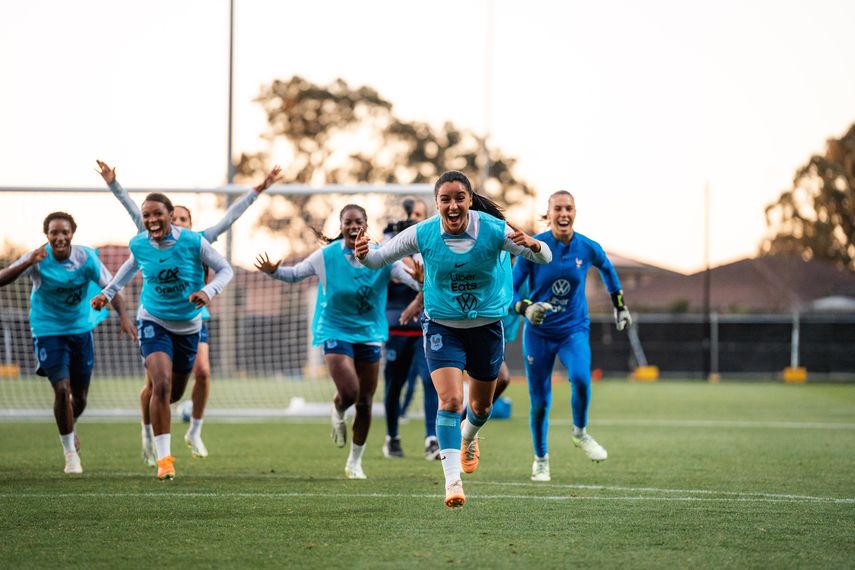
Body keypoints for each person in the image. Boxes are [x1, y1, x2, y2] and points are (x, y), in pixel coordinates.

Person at [355, 170, 552, 508]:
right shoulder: (423, 233)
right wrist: (363, 254)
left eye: (459, 197)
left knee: (481, 406)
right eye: (445, 199)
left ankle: (469, 437)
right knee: (449, 401)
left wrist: (534, 245)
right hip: (441, 326)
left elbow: (544, 255)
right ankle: (452, 482)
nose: (452, 205)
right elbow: (378, 259)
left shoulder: (493, 230)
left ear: (469, 200)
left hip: (487, 327)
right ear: (437, 204)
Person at [95, 160, 280, 464]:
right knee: (157, 384)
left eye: (181, 217)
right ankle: (153, 437)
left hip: (196, 315)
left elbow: (232, 218)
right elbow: (132, 214)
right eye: (172, 216)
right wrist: (114, 183)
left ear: (186, 222)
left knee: (199, 374)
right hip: (154, 317)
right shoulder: (144, 238)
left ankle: (193, 429)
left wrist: (258, 189)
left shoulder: (199, 241)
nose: (174, 221)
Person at [254, 204, 421, 480]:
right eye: (348, 222)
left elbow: (413, 282)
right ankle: (339, 406)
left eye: (358, 222)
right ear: (341, 226)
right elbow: (295, 274)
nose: (353, 227)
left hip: (369, 333)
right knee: (350, 392)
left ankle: (355, 461)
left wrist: (419, 281)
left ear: (366, 226)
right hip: (335, 330)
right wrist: (273, 271)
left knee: (366, 402)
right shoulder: (326, 256)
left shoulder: (382, 257)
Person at [91, 193, 234, 480]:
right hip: (153, 321)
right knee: (161, 383)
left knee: (175, 392)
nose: (152, 220)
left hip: (188, 326)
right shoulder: (140, 243)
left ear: (170, 215)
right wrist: (106, 295)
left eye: (158, 214)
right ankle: (164, 460)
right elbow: (125, 271)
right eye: (147, 216)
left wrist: (207, 292)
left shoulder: (193, 242)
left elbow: (225, 270)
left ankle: (173, 429)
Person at [0, 212, 136, 474]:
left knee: (81, 398)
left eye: (64, 232)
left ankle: (68, 425)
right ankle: (70, 453)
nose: (59, 237)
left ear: (73, 233)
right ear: (47, 235)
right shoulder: (38, 258)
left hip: (80, 329)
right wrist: (26, 261)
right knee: (62, 389)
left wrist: (125, 318)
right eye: (54, 233)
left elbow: (112, 288)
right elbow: (3, 277)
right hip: (47, 329)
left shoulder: (86, 258)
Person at [513, 190, 631, 482]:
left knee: (580, 378)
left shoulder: (587, 247)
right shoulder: (534, 247)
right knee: (539, 400)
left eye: (568, 208)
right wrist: (526, 309)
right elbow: (510, 290)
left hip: (572, 330)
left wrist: (620, 306)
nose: (563, 214)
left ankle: (580, 433)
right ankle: (541, 460)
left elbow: (607, 268)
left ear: (575, 213)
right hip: (538, 334)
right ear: (549, 213)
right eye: (558, 209)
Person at [379, 197, 441, 461]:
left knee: (431, 381)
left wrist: (419, 296)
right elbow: (385, 270)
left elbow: (436, 284)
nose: (415, 217)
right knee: (394, 386)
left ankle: (432, 439)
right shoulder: (389, 245)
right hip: (395, 328)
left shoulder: (431, 245)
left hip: (425, 329)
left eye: (420, 214)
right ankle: (392, 437)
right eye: (411, 213)